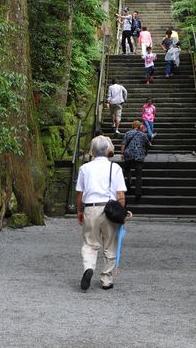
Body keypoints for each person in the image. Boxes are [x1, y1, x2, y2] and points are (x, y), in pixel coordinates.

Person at [76, 135, 127, 291]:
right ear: (107, 150)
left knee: (90, 243)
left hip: (91, 208)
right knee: (110, 244)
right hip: (109, 209)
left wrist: (79, 211)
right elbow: (120, 195)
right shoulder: (115, 168)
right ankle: (106, 279)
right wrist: (121, 213)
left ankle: (88, 268)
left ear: (93, 150)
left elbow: (79, 194)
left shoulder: (84, 168)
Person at [121, 120, 150, 203]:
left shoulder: (128, 133)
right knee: (138, 175)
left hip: (128, 155)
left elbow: (123, 143)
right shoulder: (143, 134)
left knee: (127, 169)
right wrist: (146, 152)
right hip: (139, 156)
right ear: (140, 126)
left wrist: (122, 153)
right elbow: (148, 144)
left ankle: (129, 183)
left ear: (132, 126)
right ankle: (138, 193)